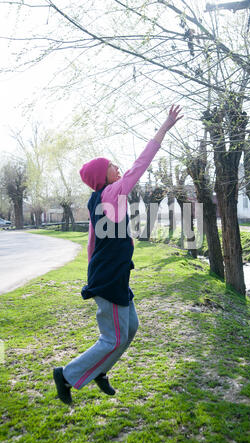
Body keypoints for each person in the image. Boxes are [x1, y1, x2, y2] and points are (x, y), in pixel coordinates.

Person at [53, 105, 183, 405]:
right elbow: (142, 163)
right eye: (111, 165)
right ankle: (67, 375)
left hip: (113, 275)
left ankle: (99, 372)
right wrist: (164, 127)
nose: (118, 167)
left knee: (130, 329)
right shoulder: (113, 193)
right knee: (112, 339)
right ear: (104, 176)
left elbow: (91, 242)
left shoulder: (98, 200)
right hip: (109, 280)